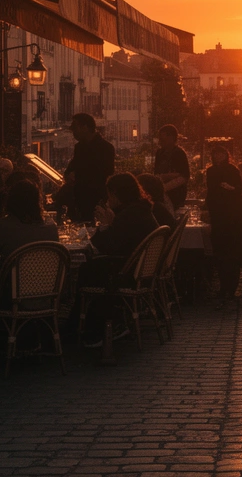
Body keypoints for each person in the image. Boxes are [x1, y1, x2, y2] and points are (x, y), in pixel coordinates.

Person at [79, 173, 162, 347]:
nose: (108, 199)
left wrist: (105, 225)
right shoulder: (140, 210)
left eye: (109, 195)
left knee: (87, 269)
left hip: (126, 273)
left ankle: (95, 327)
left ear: (116, 194)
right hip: (141, 271)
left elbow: (108, 246)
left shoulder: (130, 215)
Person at [0, 180, 59, 277]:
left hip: (12, 284)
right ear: (38, 201)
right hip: (47, 283)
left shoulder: (4, 226)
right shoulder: (51, 227)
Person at [206, 144, 242, 307]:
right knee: (220, 252)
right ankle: (223, 286)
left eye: (221, 154)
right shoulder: (211, 171)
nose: (218, 157)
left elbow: (239, 189)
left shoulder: (232, 170)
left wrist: (230, 188)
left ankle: (230, 287)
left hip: (232, 217)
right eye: (216, 154)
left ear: (226, 155)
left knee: (230, 253)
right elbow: (210, 192)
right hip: (218, 215)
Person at [61, 113, 115, 222]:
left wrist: (77, 176)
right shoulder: (79, 147)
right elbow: (71, 168)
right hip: (80, 201)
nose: (73, 132)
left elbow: (105, 174)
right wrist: (68, 175)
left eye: (75, 128)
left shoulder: (105, 148)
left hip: (96, 201)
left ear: (85, 127)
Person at [153, 124, 191, 211]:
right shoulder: (159, 153)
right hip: (162, 193)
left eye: (163, 138)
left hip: (175, 194)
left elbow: (184, 176)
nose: (160, 141)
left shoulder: (179, 153)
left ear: (172, 137)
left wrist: (164, 187)